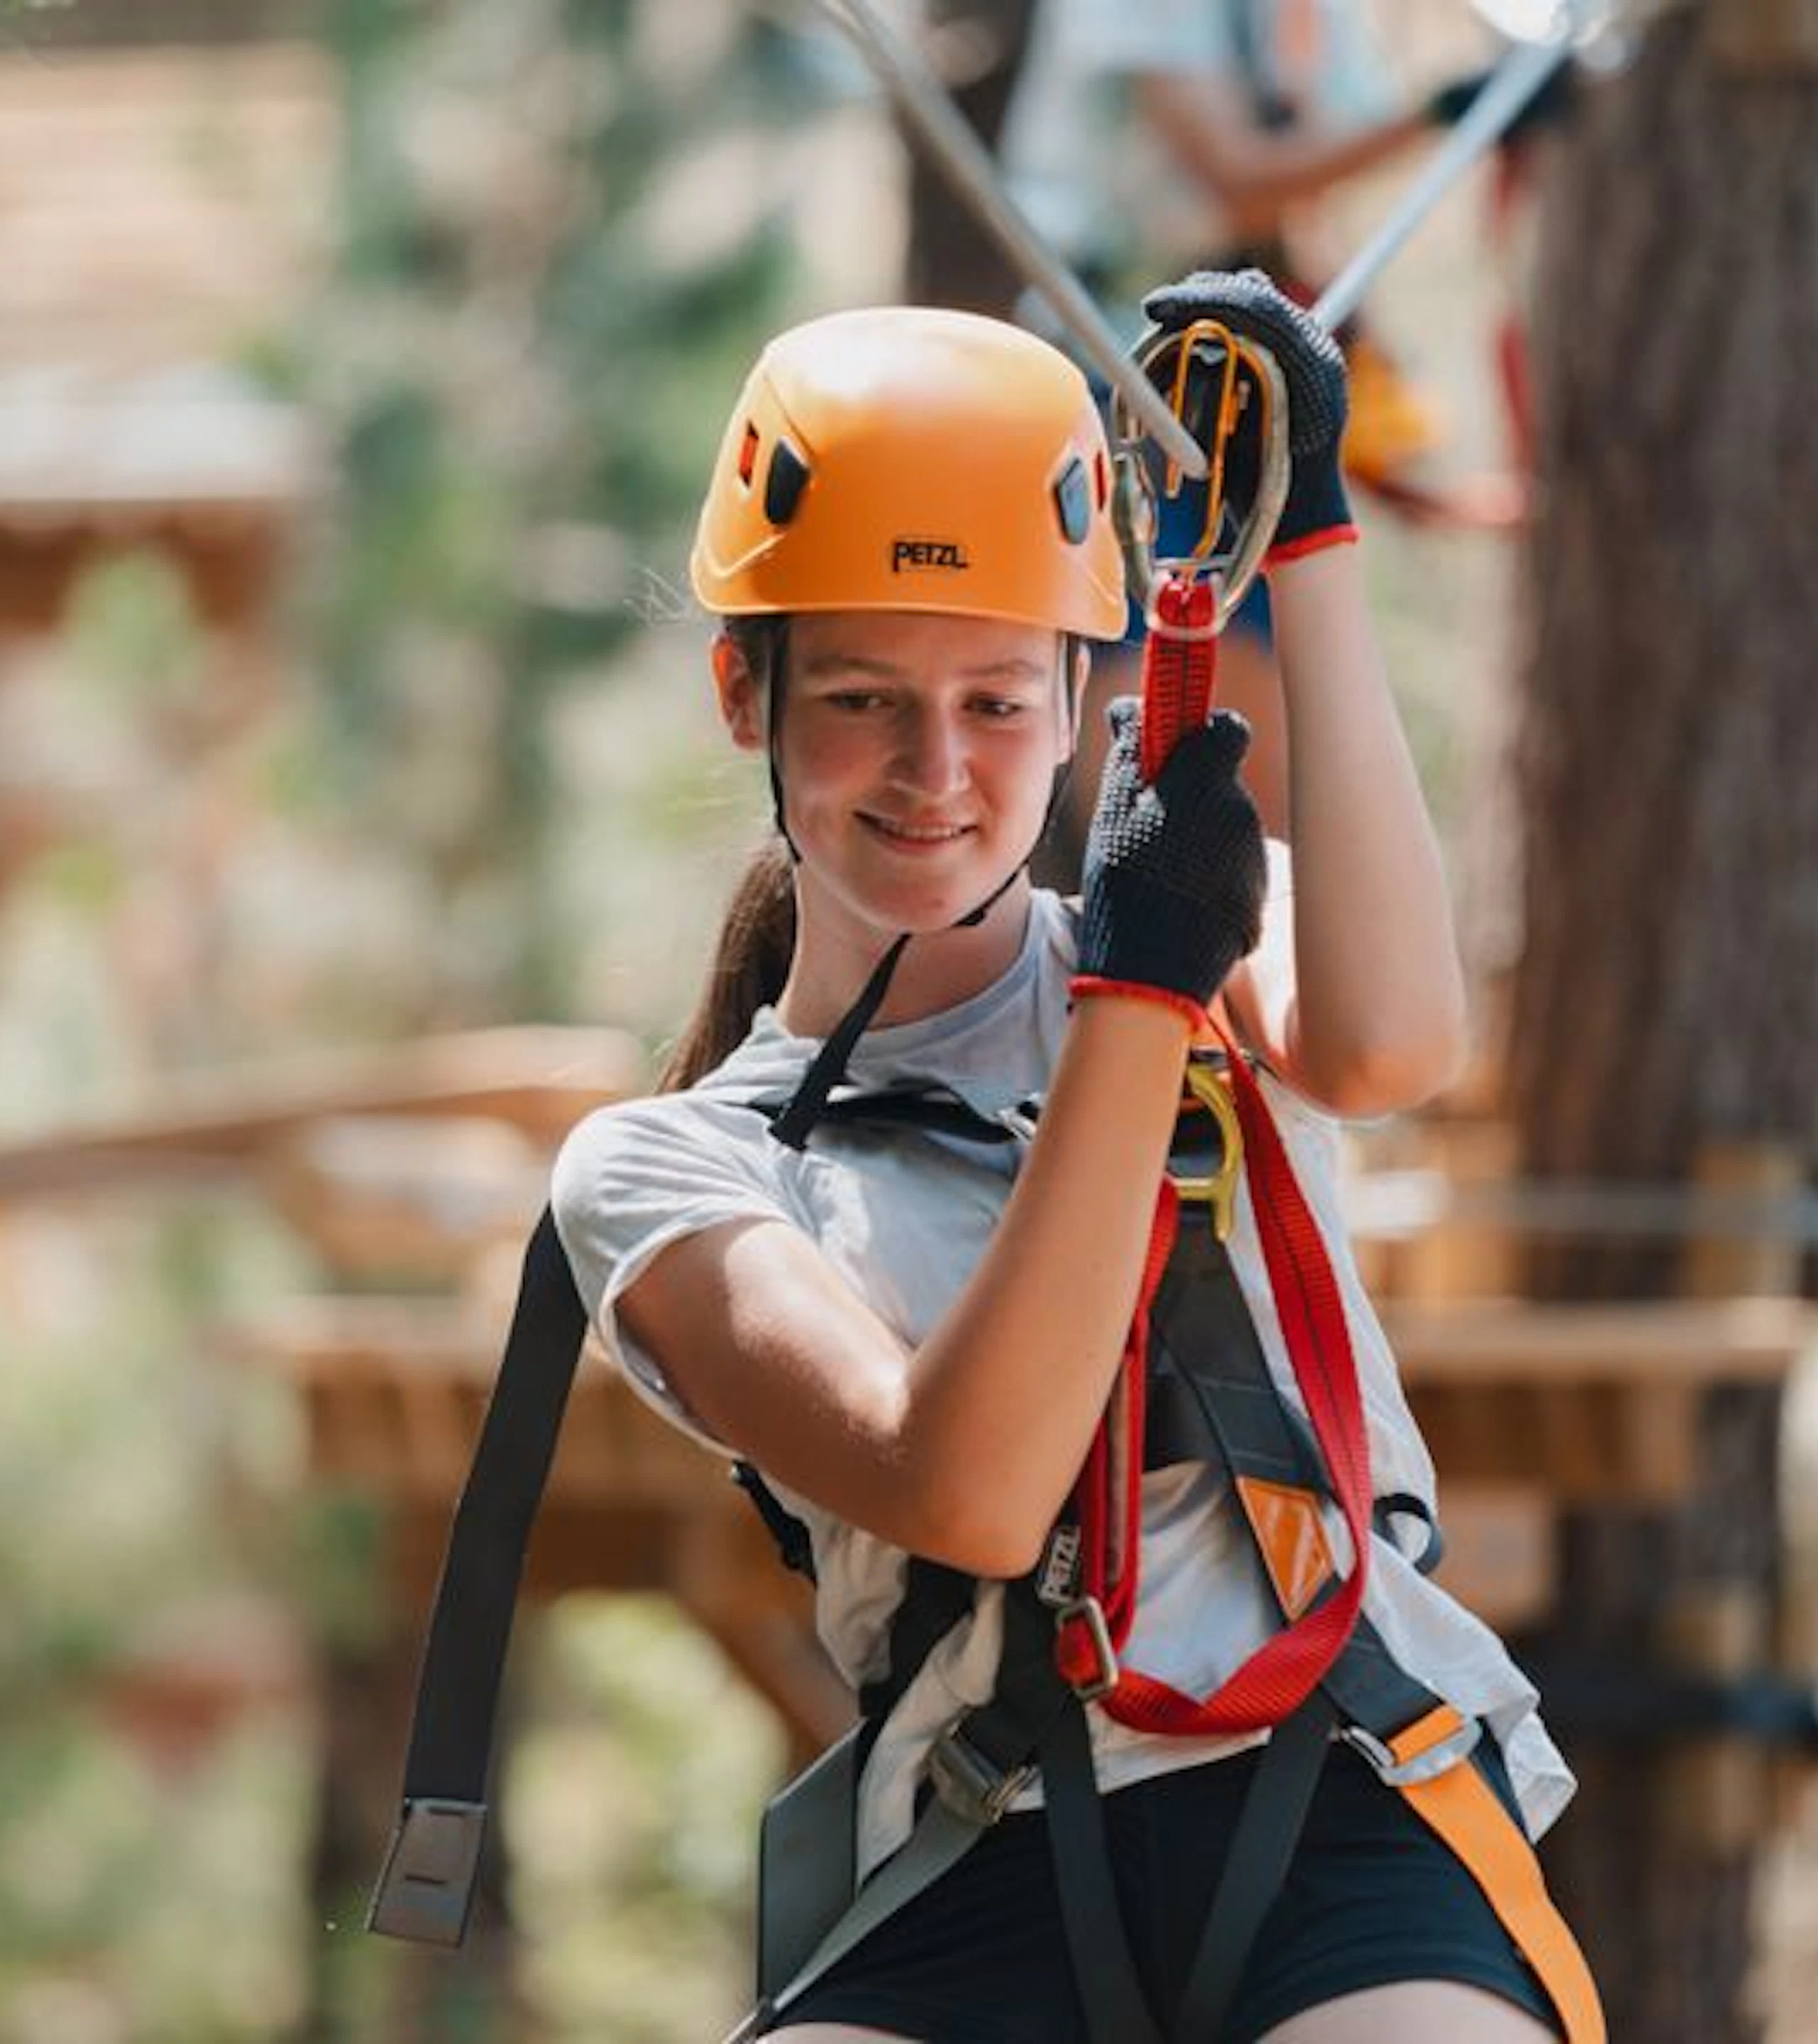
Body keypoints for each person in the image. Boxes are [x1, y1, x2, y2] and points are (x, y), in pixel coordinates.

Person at [548, 278, 1599, 2042]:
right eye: (864, 700)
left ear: (1076, 694)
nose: (935, 770)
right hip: (983, 1841)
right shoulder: (668, 1169)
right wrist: (1131, 988)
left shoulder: (1198, 969)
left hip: (1333, 1777)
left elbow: (1392, 1041)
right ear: (746, 692)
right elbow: (962, 1486)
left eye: (993, 702)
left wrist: (1310, 533)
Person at [999, 0, 1571, 860]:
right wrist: (1445, 110)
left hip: (1235, 383)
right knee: (1143, 733)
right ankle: (1137, 960)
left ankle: (1248, 981)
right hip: (1116, 372)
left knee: (1261, 764)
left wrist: (1360, 383)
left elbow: (1299, 192)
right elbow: (1236, 172)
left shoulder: (1310, 13)